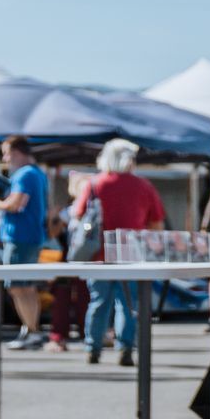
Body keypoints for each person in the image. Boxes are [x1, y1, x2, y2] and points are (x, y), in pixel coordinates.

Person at [72, 137, 165, 367]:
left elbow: (77, 215)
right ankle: (125, 347)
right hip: (131, 254)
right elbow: (157, 223)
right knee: (129, 304)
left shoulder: (94, 184)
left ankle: (92, 347)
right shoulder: (143, 185)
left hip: (98, 254)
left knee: (99, 302)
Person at [0, 134, 55, 349]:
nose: (5, 158)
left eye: (6, 153)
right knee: (26, 286)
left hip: (20, 236)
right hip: (31, 236)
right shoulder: (37, 173)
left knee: (18, 287)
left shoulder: (24, 174)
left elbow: (16, 203)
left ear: (17, 152)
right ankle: (31, 329)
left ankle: (32, 330)